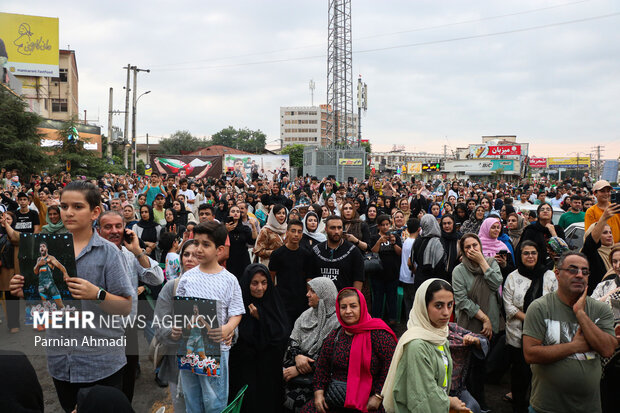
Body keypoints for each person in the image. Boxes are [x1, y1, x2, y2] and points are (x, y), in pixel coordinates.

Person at [10, 181, 133, 413]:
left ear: (95, 212)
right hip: (61, 361)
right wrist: (25, 291)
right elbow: (42, 313)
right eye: (64, 206)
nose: (68, 212)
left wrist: (96, 294)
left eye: (78, 206)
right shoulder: (43, 248)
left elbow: (126, 307)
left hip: (100, 362)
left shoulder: (108, 253)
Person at [522, 251, 617, 413]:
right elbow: (530, 354)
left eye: (584, 271)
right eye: (573, 270)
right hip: (546, 407)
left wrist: (580, 313)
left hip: (589, 408)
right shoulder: (540, 307)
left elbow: (607, 349)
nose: (579, 275)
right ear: (557, 274)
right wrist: (575, 346)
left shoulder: (600, 309)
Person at [171, 221, 245, 413]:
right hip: (189, 348)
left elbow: (236, 312)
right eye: (196, 243)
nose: (198, 249)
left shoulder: (229, 280)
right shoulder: (187, 277)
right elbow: (179, 309)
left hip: (216, 349)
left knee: (214, 401)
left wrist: (228, 328)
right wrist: (177, 326)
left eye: (206, 245)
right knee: (192, 398)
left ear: (219, 249)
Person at [97, 210, 164, 403]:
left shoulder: (129, 253)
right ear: (99, 230)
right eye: (108, 227)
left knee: (127, 380)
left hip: (128, 326)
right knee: (107, 383)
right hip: (102, 329)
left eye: (118, 226)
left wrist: (138, 251)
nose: (114, 231)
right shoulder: (92, 254)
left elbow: (156, 277)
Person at [381, 279, 469, 413]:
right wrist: (449, 401)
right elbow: (423, 396)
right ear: (423, 306)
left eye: (450, 305)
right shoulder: (417, 345)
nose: (446, 312)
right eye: (438, 306)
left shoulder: (440, 335)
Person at [301, 288, 397, 413]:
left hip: (369, 400)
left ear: (362, 307)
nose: (348, 311)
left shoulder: (379, 334)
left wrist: (378, 396)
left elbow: (392, 367)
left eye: (353, 306)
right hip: (336, 398)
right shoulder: (335, 336)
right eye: (343, 307)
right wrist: (318, 394)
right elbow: (322, 367)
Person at [502, 241, 557, 413]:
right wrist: (530, 319)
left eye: (533, 253)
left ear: (539, 254)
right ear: (520, 255)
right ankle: (518, 405)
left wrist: (538, 324)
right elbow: (508, 306)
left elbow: (556, 302)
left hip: (545, 334)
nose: (530, 256)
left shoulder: (550, 276)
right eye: (526, 253)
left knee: (540, 376)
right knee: (520, 375)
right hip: (518, 334)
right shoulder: (512, 277)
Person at [452, 233, 503, 411]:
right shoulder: (458, 271)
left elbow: (496, 283)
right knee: (469, 367)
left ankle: (479, 401)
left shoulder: (492, 263)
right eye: (468, 247)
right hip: (470, 325)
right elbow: (462, 300)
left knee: (482, 367)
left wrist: (483, 262)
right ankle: (470, 403)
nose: (472, 249)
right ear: (463, 251)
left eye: (475, 245)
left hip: (493, 323)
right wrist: (484, 319)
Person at [229, 263, 289, 413]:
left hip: (268, 369)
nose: (260, 288)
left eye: (264, 283)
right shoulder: (239, 304)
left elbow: (281, 334)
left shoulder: (274, 302)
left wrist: (261, 317)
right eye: (254, 283)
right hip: (244, 367)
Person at [153, 239, 199, 412]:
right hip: (176, 363)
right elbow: (159, 323)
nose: (189, 258)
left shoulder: (215, 286)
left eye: (195, 255)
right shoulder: (172, 287)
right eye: (186, 254)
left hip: (206, 362)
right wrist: (170, 331)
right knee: (181, 405)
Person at [283, 277, 340, 412]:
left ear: (324, 295)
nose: (307, 294)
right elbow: (293, 340)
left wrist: (299, 369)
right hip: (294, 368)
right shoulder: (306, 315)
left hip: (319, 379)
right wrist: (297, 357)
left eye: (313, 291)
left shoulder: (337, 322)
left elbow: (330, 355)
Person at [270, 220, 314, 330]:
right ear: (287, 232)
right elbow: (271, 277)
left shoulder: (306, 255)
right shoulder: (277, 254)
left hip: (301, 299)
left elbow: (309, 279)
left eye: (299, 232)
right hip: (283, 299)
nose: (296, 234)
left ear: (302, 234)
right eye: (293, 231)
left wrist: (309, 297)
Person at [311, 215, 365, 292]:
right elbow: (310, 277)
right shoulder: (316, 250)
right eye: (332, 228)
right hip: (321, 299)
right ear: (326, 229)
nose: (336, 231)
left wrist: (354, 298)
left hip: (344, 300)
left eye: (339, 228)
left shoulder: (353, 251)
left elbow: (358, 278)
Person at [369, 214, 402, 322]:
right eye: (382, 225)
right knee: (377, 300)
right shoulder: (374, 237)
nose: (385, 227)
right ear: (378, 226)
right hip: (377, 275)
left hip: (392, 274)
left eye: (387, 224)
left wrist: (393, 243)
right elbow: (372, 252)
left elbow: (400, 252)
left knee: (392, 300)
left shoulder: (395, 237)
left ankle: (393, 322)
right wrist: (379, 241)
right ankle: (376, 322)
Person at [519, 202, 566, 267]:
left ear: (552, 213)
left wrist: (553, 233)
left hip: (555, 267)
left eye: (548, 209)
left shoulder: (558, 230)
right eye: (542, 209)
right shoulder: (531, 230)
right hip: (534, 266)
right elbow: (522, 250)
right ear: (538, 214)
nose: (545, 211)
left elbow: (562, 251)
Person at [411, 215, 446, 291]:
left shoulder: (417, 240)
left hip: (419, 279)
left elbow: (412, 260)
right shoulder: (438, 242)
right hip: (434, 282)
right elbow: (441, 263)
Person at [581, 221, 618, 294]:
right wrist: (605, 217)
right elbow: (590, 243)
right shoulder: (591, 254)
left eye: (610, 232)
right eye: (604, 233)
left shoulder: (615, 253)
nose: (610, 235)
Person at [225, 205, 252, 279]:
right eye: (233, 211)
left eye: (238, 211)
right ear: (229, 214)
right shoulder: (223, 228)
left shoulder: (245, 228)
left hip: (243, 259)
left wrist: (254, 228)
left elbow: (252, 241)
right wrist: (225, 230)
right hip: (230, 259)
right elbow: (219, 241)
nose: (235, 213)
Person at [400, 218, 420, 317]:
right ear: (419, 229)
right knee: (413, 302)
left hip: (404, 276)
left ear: (407, 230)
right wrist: (415, 271)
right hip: (411, 277)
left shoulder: (406, 241)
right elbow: (410, 262)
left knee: (407, 301)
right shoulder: (415, 243)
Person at [439, 214, 461, 280]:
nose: (447, 226)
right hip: (440, 274)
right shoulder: (438, 237)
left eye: (449, 223)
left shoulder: (459, 237)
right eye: (444, 223)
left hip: (456, 274)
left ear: (453, 224)